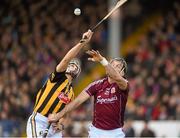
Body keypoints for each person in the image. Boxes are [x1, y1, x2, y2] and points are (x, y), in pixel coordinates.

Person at [26, 30, 93, 137]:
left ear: (78, 73)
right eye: (71, 64)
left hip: (54, 128)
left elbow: (66, 115)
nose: (73, 65)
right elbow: (66, 59)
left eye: (76, 66)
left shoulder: (71, 93)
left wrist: (62, 125)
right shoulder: (57, 77)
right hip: (39, 120)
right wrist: (83, 42)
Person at [48, 49, 129, 138]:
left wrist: (102, 60)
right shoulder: (96, 85)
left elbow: (116, 76)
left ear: (123, 73)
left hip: (116, 133)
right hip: (96, 132)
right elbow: (77, 102)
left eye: (117, 66)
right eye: (112, 65)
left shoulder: (124, 84)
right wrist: (58, 116)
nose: (113, 67)